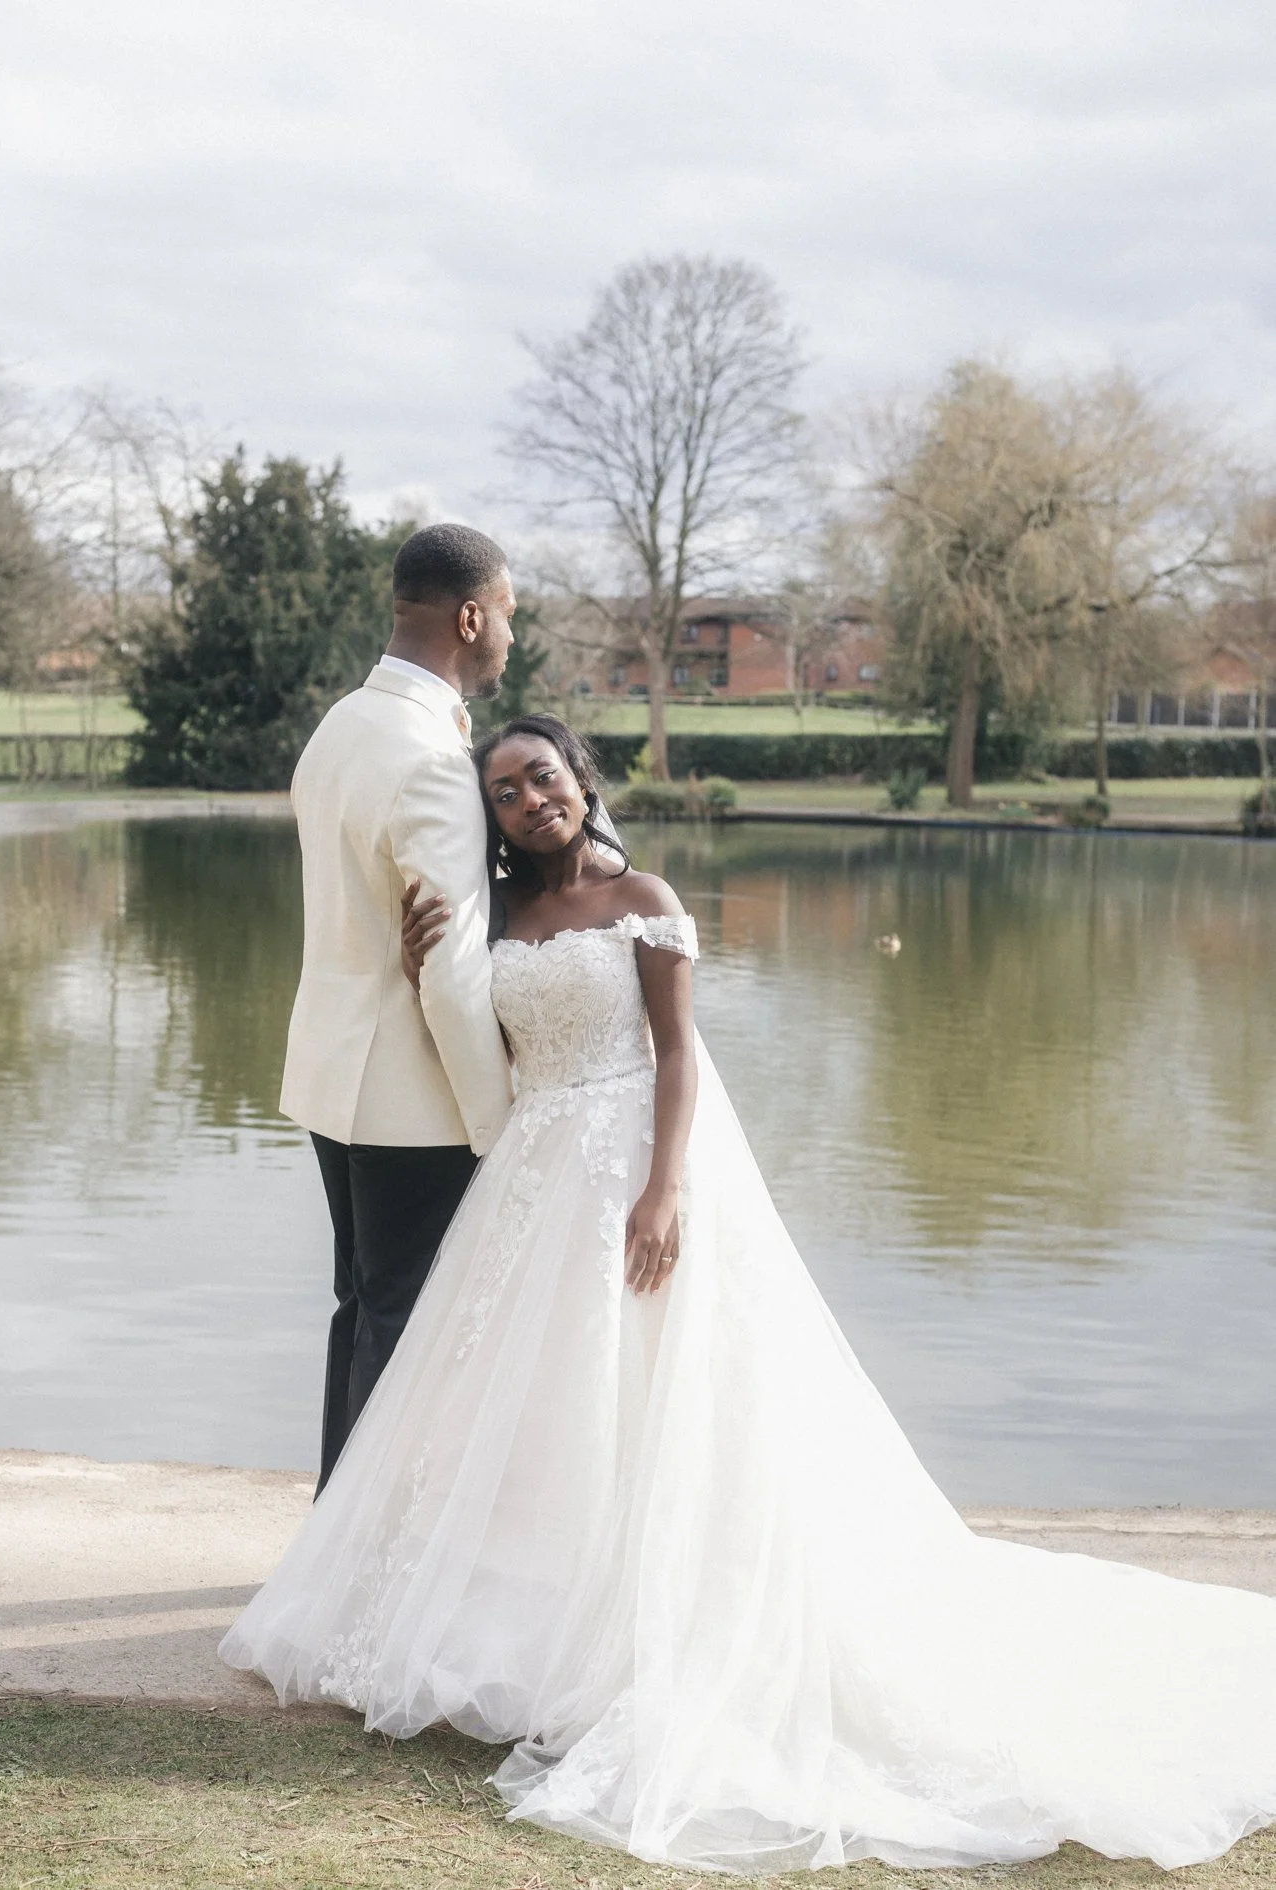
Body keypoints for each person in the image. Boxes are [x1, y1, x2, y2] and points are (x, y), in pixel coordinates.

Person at [225, 715, 1276, 1875]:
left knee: (666, 1393)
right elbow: (489, 1046)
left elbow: (676, 1054)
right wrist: (434, 966)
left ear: (582, 779)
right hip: (534, 1178)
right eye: (507, 792)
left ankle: (661, 1615)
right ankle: (530, 1621)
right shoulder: (499, 915)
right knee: (535, 1405)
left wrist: (663, 1191)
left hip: (635, 1157)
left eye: (545, 776)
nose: (531, 800)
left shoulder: (644, 900)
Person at [278, 523, 516, 1492]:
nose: (510, 633)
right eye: (508, 613)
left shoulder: (340, 725)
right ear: (470, 616)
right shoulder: (429, 756)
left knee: (364, 1311)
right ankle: (356, 1574)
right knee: (409, 1326)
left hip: (335, 1079)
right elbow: (451, 974)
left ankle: (330, 1550)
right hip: (414, 1097)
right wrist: (499, 1124)